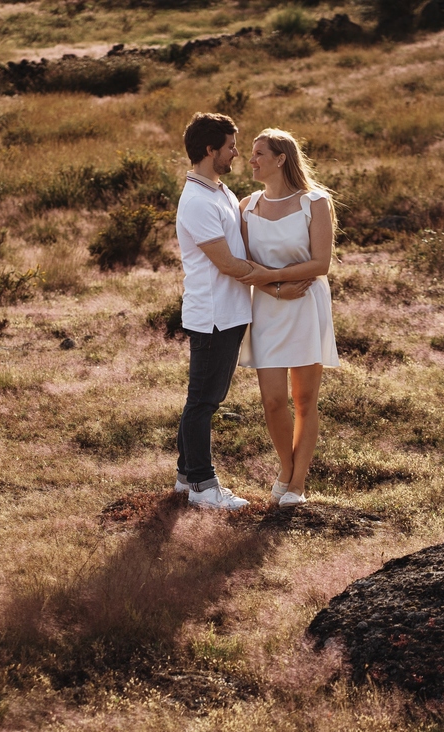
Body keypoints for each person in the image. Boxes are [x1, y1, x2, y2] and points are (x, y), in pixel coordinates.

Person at [236, 129, 340, 508]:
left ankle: (297, 483)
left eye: (259, 153)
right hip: (267, 306)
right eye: (251, 153)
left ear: (281, 159)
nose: (251, 160)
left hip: (306, 303)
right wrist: (272, 285)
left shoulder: (315, 202)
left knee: (305, 397)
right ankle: (285, 466)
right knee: (273, 401)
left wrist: (269, 276)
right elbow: (247, 266)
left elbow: (321, 263)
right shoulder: (247, 206)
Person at [173, 112, 261, 510]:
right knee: (203, 403)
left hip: (229, 311)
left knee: (204, 399)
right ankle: (205, 488)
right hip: (212, 315)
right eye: (230, 146)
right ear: (211, 150)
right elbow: (226, 263)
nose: (236, 153)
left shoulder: (218, 191)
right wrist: (278, 280)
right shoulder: (196, 200)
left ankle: (185, 479)